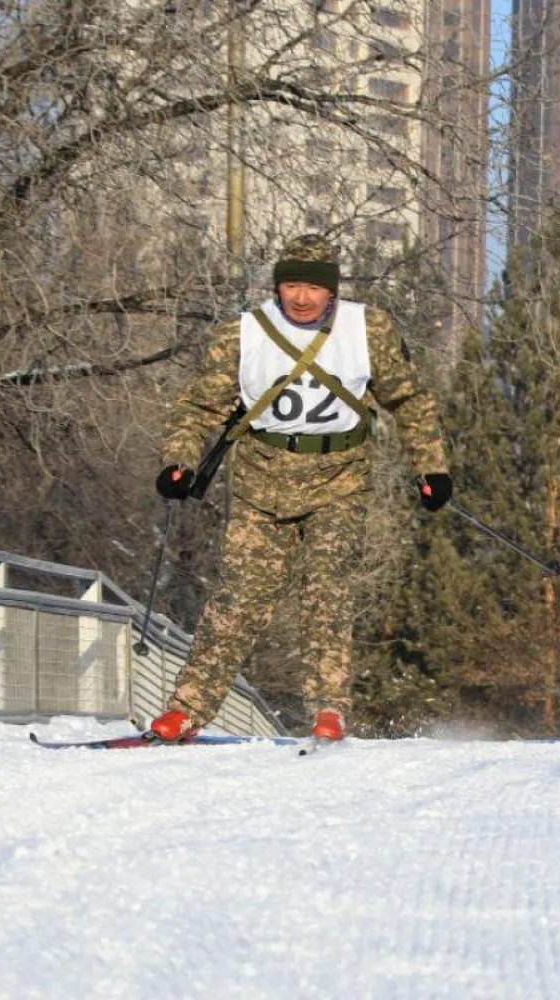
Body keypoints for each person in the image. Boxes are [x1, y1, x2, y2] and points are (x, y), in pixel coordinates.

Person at [148, 234, 450, 743]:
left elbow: (411, 400)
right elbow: (199, 407)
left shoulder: (368, 328)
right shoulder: (242, 334)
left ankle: (328, 711)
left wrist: (432, 470)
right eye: (291, 285)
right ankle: (186, 710)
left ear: (331, 290)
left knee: (326, 591)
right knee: (238, 600)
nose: (302, 298)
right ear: (278, 286)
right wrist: (178, 460)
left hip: (340, 479)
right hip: (260, 481)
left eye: (313, 287)